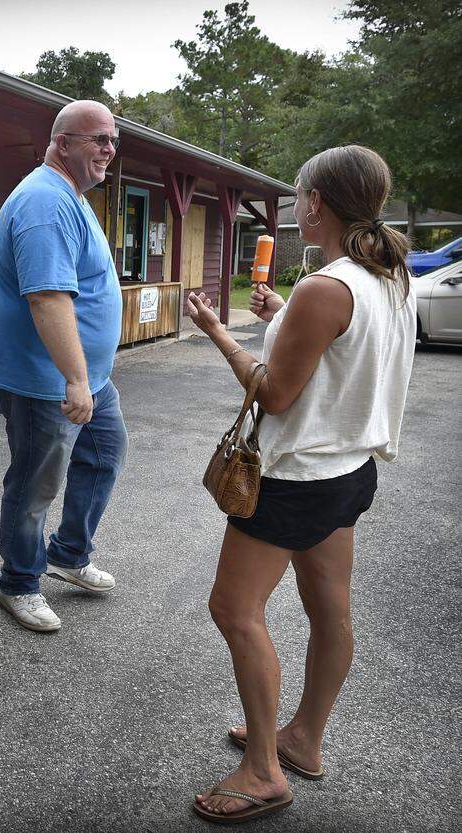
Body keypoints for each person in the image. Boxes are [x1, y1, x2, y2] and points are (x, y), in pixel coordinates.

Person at [185, 145, 416, 824]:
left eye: (297, 193)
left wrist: (220, 334)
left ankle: (262, 772)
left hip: (296, 479)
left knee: (234, 609)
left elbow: (277, 393)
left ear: (316, 202)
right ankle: (303, 740)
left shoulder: (327, 286)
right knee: (329, 611)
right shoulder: (386, 275)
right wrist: (282, 314)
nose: (294, 203)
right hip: (349, 473)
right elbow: (344, 349)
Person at [0, 100, 126, 633]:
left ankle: (68, 552)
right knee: (35, 480)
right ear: (63, 144)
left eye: (113, 140)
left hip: (83, 376)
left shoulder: (71, 195)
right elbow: (47, 299)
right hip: (46, 381)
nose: (109, 149)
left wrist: (90, 375)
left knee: (105, 453)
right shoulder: (44, 203)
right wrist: (76, 379)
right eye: (98, 140)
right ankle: (19, 583)